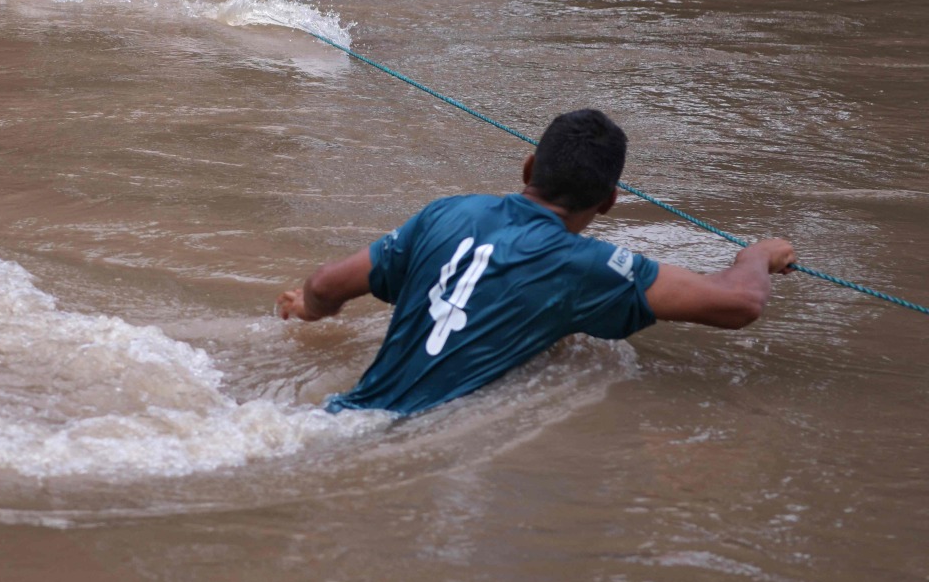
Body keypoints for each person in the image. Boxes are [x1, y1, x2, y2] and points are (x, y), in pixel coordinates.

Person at [276, 108, 797, 416]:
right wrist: (757, 254)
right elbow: (740, 302)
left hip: (342, 414)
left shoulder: (449, 211)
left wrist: (309, 309)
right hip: (406, 433)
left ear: (528, 167)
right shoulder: (588, 265)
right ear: (609, 201)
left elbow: (326, 283)